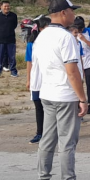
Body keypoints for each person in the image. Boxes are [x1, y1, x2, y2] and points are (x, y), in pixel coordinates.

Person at [32, 0, 90, 180]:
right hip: (65, 95)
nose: (74, 15)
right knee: (67, 142)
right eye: (72, 11)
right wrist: (82, 98)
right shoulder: (66, 38)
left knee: (47, 140)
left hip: (47, 94)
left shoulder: (42, 36)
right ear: (64, 13)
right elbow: (72, 72)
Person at [26, 15, 50, 143]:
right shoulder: (32, 44)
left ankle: (50, 133)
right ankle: (39, 133)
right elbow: (29, 62)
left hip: (49, 79)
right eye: (47, 27)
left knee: (50, 107)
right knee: (38, 106)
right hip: (36, 79)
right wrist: (28, 79)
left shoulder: (52, 42)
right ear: (40, 28)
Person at [0, 0, 19, 77]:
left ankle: (13, 71)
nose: (7, 8)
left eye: (8, 6)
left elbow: (14, 25)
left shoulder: (14, 15)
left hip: (11, 39)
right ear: (1, 7)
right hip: (0, 40)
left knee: (12, 56)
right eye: (5, 6)